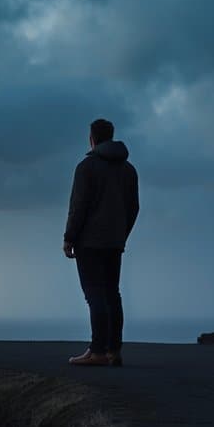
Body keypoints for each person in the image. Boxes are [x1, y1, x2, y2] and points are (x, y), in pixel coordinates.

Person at [63, 118, 139, 366]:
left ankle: (97, 351)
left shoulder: (86, 167)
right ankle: (113, 351)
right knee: (112, 294)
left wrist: (69, 238)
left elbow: (79, 206)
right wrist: (121, 234)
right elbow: (133, 208)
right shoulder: (129, 170)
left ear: (92, 139)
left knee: (95, 294)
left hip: (89, 242)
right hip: (115, 242)